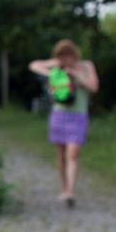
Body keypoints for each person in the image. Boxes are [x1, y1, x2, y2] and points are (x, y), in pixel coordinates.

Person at [28, 39, 99, 207]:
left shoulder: (86, 66)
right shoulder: (57, 67)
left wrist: (77, 76)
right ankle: (65, 187)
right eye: (62, 56)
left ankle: (71, 192)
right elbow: (34, 65)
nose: (67, 59)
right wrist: (54, 71)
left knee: (73, 153)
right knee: (61, 154)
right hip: (59, 115)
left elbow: (94, 87)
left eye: (69, 55)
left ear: (75, 54)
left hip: (78, 116)